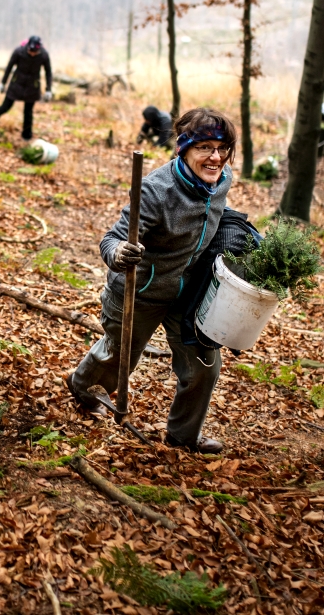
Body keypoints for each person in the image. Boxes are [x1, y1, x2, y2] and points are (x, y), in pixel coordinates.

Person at [64, 107, 236, 453]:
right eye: (204, 147)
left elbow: (216, 213)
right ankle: (81, 385)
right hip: (141, 290)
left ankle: (183, 436)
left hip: (188, 290)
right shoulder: (155, 191)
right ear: (183, 149)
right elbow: (110, 239)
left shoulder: (222, 179)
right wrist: (119, 254)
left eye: (222, 147)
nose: (215, 156)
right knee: (119, 358)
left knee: (204, 363)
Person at [0, 35, 53, 140]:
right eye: (30, 50)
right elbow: (9, 67)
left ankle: (26, 136)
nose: (32, 53)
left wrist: (49, 89)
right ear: (27, 47)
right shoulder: (19, 52)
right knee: (5, 107)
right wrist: (3, 83)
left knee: (28, 112)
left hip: (32, 86)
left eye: (34, 51)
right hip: (17, 84)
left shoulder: (44, 55)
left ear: (39, 49)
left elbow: (48, 72)